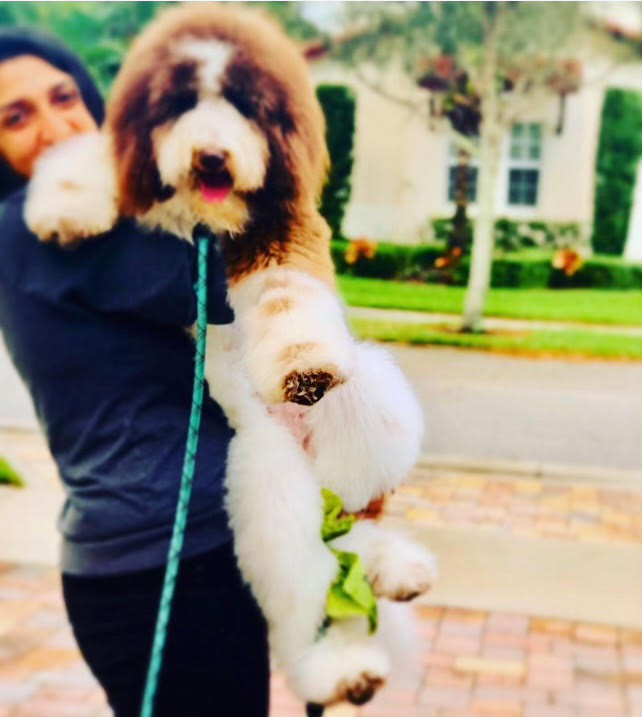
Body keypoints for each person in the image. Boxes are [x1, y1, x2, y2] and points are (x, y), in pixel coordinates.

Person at [0, 28, 269, 717]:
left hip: (178, 559)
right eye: (15, 117)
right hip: (165, 574)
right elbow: (225, 283)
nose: (55, 126)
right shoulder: (35, 225)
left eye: (63, 97)